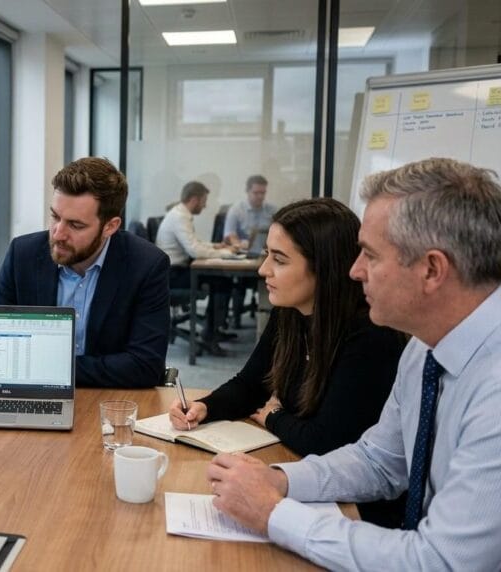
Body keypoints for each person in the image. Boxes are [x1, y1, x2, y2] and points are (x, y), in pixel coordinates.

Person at [205, 158, 501, 570]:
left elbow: (441, 562)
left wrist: (273, 514)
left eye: (370, 255)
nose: (354, 271)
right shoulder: (426, 348)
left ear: (432, 269)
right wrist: (281, 480)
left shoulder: (493, 387)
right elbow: (378, 460)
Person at [169, 198, 406, 525]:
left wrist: (274, 417)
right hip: (300, 470)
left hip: (354, 509)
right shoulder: (291, 313)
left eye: (279, 259)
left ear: (325, 267)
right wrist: (205, 406)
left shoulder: (369, 335)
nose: (263, 269)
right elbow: (251, 385)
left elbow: (327, 442)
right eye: (267, 254)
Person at [0, 157, 170, 388]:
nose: (58, 234)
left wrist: (48, 368)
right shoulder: (22, 254)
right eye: (55, 216)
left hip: (109, 401)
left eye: (75, 225)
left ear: (110, 226)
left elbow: (146, 366)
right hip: (32, 393)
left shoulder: (146, 266)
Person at [156, 181, 235, 356]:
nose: (205, 205)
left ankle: (212, 330)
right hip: (172, 275)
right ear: (194, 199)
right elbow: (193, 249)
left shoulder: (180, 214)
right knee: (221, 282)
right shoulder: (180, 217)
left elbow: (194, 243)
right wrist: (225, 253)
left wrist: (215, 246)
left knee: (221, 280)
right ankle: (210, 336)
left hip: (175, 270)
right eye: (204, 200)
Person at [223, 174, 276, 249]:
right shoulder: (237, 209)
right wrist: (240, 246)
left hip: (265, 251)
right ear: (247, 191)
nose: (260, 196)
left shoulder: (272, 210)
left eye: (263, 193)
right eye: (256, 193)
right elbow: (230, 235)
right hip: (242, 251)